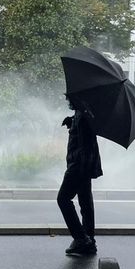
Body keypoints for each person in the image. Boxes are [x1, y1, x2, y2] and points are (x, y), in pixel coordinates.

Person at [58, 97, 102, 257]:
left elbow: (85, 145)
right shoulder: (82, 113)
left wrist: (79, 168)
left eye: (69, 97)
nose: (67, 99)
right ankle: (89, 240)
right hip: (84, 165)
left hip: (79, 165)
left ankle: (81, 238)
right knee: (85, 201)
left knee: (63, 199)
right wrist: (72, 122)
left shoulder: (83, 115)